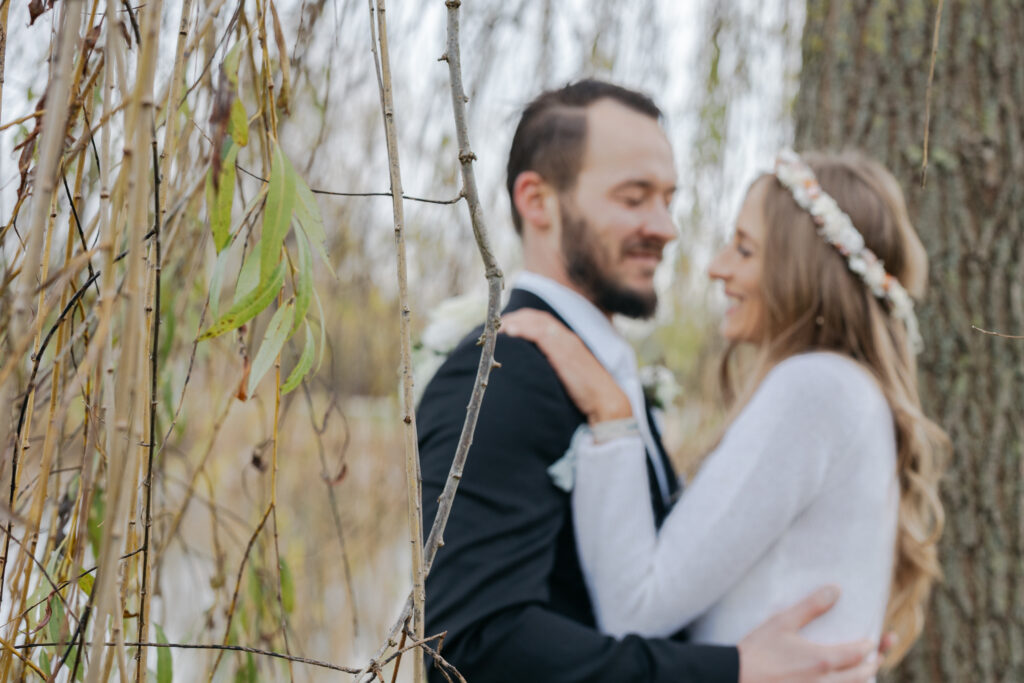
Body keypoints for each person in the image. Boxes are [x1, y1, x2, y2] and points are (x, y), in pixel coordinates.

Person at [417, 80, 883, 682]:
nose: (665, 227)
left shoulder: (602, 376)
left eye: (668, 199)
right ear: (538, 201)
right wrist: (730, 670)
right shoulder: (499, 372)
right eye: (635, 198)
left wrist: (823, 642)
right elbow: (473, 650)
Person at [502, 149, 948, 671]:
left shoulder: (813, 389)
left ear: (801, 267)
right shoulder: (851, 391)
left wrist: (612, 414)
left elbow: (635, 611)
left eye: (744, 249)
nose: (717, 267)